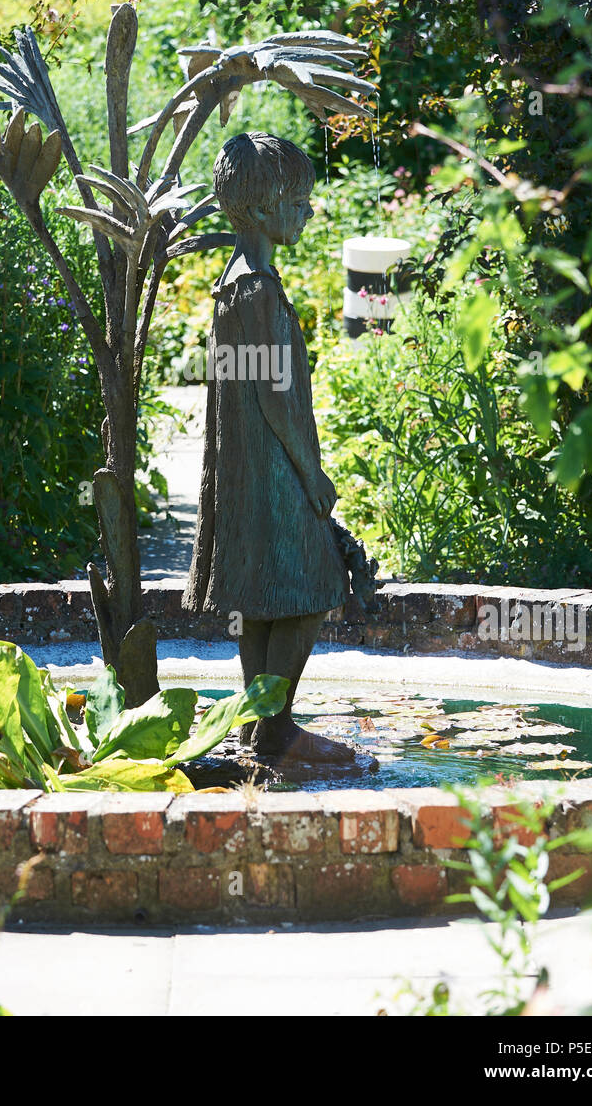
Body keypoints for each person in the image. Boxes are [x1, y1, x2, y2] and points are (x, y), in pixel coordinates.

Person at [183, 131, 357, 763]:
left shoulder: (233, 283)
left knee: (261, 597)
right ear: (259, 209)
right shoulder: (258, 289)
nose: (307, 210)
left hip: (246, 468)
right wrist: (313, 476)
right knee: (314, 586)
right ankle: (277, 726)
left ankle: (259, 725)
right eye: (298, 198)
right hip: (276, 468)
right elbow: (275, 397)